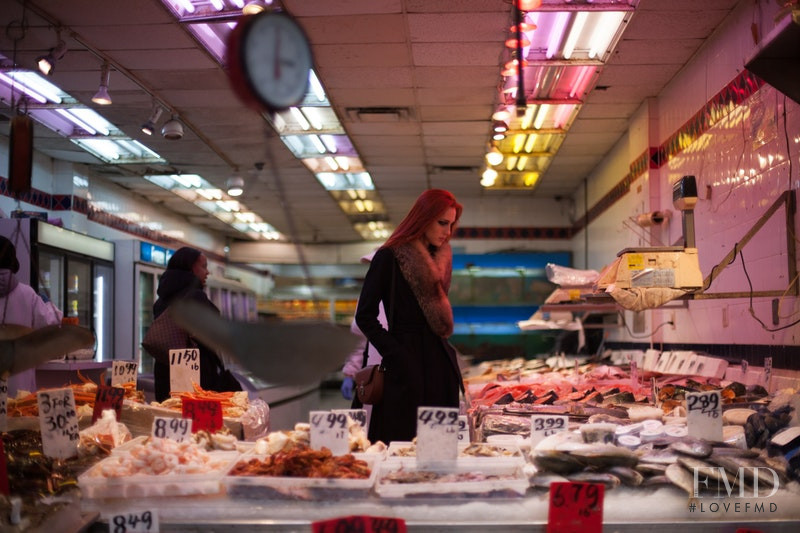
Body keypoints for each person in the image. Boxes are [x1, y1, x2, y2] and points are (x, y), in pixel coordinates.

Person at [355, 189, 464, 444]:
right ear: (423, 218)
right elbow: (365, 315)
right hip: (406, 363)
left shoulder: (440, 260)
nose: (447, 232)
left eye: (451, 224)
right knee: (401, 442)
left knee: (439, 447)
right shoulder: (389, 257)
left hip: (439, 362)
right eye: (442, 223)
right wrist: (395, 352)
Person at [151, 246, 241, 402]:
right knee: (196, 424)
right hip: (196, 377)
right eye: (204, 267)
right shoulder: (195, 297)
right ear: (190, 268)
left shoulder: (162, 300)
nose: (207, 272)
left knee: (171, 416)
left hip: (167, 373)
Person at [0, 235, 63, 396]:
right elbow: (52, 323)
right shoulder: (27, 294)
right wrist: (47, 302)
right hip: (19, 387)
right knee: (18, 417)